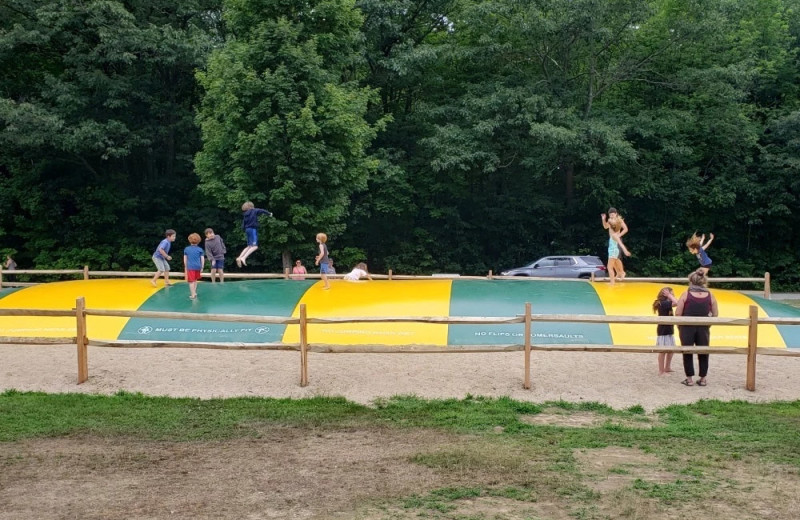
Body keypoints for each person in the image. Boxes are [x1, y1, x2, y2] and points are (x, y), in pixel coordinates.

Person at [675, 269, 719, 387]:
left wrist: (680, 325)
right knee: (704, 351)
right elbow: (715, 314)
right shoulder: (710, 295)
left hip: (686, 327)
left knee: (687, 351)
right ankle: (703, 378)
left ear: (691, 281)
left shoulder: (686, 294)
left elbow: (678, 313)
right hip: (703, 327)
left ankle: (689, 379)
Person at [236, 201, 273, 267]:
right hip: (252, 229)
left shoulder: (245, 214)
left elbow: (243, 224)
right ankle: (243, 258)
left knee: (249, 246)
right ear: (251, 207)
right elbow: (262, 210)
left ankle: (239, 257)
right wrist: (269, 214)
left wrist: (244, 229)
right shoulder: (254, 210)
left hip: (247, 230)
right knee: (255, 246)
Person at [601, 208, 631, 284]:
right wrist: (603, 219)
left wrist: (619, 235)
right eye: (610, 214)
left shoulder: (619, 221)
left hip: (615, 240)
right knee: (615, 260)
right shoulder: (610, 220)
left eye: (613, 214)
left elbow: (626, 229)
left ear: (616, 214)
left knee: (614, 261)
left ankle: (619, 274)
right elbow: (605, 227)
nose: (611, 215)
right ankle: (618, 273)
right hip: (612, 241)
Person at [653, 287, 678, 375]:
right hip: (663, 330)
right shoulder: (663, 303)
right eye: (671, 293)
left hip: (669, 329)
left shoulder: (667, 303)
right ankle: (661, 370)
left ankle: (667, 367)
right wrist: (669, 295)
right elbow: (676, 302)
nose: (673, 295)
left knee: (671, 350)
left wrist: (670, 295)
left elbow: (676, 301)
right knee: (662, 351)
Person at [184, 233, 205, 300]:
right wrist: (202, 267)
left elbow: (185, 259)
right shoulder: (200, 249)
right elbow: (202, 259)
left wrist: (186, 266)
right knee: (195, 280)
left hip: (190, 267)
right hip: (198, 266)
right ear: (198, 241)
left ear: (189, 240)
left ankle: (193, 295)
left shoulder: (187, 249)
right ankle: (195, 292)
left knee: (191, 281)